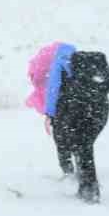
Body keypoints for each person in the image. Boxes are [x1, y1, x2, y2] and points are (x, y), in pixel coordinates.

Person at [52, 48, 109, 203]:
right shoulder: (99, 60)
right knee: (84, 147)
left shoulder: (70, 65)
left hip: (77, 113)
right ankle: (87, 187)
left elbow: (58, 92)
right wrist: (96, 93)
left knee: (80, 146)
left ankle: (89, 189)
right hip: (98, 112)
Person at [26, 42, 75, 173]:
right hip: (80, 107)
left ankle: (68, 171)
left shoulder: (56, 65)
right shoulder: (78, 61)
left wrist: (49, 113)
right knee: (79, 140)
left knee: (61, 139)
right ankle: (83, 169)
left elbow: (52, 88)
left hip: (62, 107)